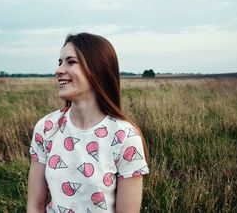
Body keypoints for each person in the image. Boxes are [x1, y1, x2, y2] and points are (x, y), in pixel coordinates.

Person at [27, 33, 149, 213]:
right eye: (59, 62)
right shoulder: (46, 128)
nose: (59, 70)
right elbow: (35, 206)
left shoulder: (124, 137)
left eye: (71, 62)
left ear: (97, 69)